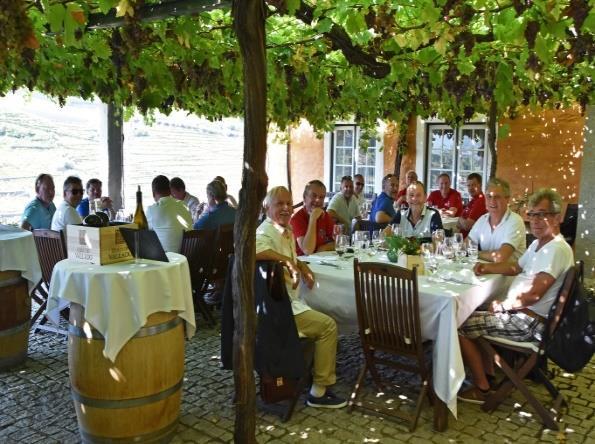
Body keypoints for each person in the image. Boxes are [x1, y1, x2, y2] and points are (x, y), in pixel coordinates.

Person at [457, 188, 574, 404]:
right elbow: (515, 268)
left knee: (459, 324)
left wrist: (503, 305)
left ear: (557, 217)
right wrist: (485, 268)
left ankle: (482, 387)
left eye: (543, 214)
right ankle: (490, 374)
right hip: (525, 316)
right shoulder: (540, 243)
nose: (536, 221)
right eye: (532, 214)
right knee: (472, 309)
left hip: (529, 323)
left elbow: (535, 293)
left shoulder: (555, 249)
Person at [256, 186, 347, 408]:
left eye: (289, 203)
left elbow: (293, 255)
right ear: (267, 207)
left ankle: (304, 371)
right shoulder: (264, 232)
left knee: (325, 310)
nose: (286, 208)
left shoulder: (283, 231)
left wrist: (300, 264)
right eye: (280, 204)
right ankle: (319, 390)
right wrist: (287, 262)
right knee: (328, 326)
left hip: (287, 303)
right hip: (277, 312)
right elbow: (253, 251)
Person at [467, 178, 526, 262]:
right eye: (489, 196)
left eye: (497, 197)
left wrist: (475, 253)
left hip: (510, 274)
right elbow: (466, 244)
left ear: (507, 199)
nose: (492, 201)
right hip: (485, 270)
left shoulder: (515, 221)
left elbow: (500, 257)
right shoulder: (483, 219)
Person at [146, 175, 193, 253]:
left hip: (166, 260)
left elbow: (142, 231)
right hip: (186, 258)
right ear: (170, 191)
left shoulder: (151, 210)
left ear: (153, 194)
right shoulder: (184, 205)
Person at [290, 180, 335, 256]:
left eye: (321, 197)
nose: (318, 200)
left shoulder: (325, 215)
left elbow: (337, 242)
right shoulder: (296, 219)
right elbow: (307, 250)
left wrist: (324, 247)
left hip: (321, 261)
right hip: (303, 263)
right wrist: (313, 219)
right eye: (314, 196)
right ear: (304, 197)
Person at [456, 173, 487, 238]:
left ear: (480, 185)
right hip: (464, 240)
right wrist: (462, 221)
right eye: (468, 185)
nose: (470, 188)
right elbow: (458, 225)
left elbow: (467, 226)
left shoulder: (480, 201)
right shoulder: (473, 200)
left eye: (473, 185)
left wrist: (459, 218)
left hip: (471, 243)